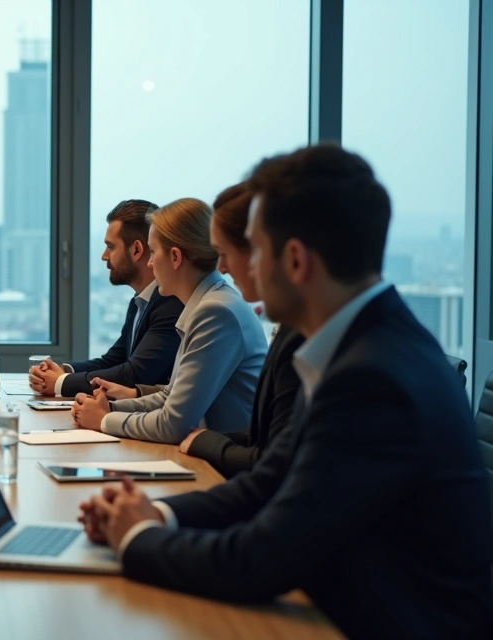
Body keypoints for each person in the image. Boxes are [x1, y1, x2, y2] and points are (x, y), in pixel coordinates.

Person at [79, 144, 493, 639]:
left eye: (252, 247)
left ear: (294, 259)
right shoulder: (351, 342)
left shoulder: (373, 378)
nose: (231, 267)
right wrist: (155, 512)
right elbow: (268, 480)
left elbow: (261, 559)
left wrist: (138, 538)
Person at [71, 198, 266, 443]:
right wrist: (108, 410)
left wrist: (103, 420)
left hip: (223, 466)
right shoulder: (207, 302)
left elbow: (173, 425)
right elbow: (169, 397)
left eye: (153, 252)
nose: (150, 263)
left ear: (175, 257)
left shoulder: (215, 312)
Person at [175, 182, 304, 478]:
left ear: (293, 255)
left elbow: (274, 471)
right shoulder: (294, 331)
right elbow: (272, 445)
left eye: (225, 252)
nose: (220, 266)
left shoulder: (217, 308)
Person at [29, 199, 183, 397]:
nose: (104, 256)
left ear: (136, 250)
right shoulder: (141, 301)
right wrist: (64, 371)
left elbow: (134, 374)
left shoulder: (170, 304)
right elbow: (114, 361)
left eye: (110, 247)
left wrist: (60, 382)